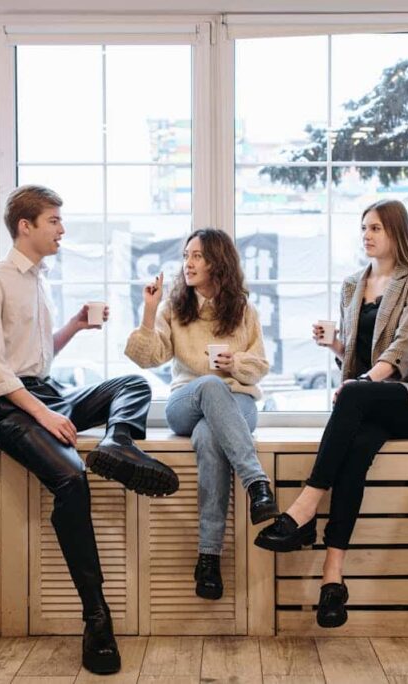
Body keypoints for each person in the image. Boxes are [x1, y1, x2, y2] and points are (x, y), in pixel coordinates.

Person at [0, 184, 178, 675]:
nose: (62, 229)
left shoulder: (38, 280)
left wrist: (74, 328)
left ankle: (118, 443)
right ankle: (96, 617)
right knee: (71, 479)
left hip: (42, 390)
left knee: (132, 383)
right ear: (26, 226)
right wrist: (45, 415)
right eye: (54, 221)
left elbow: (33, 358)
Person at [254, 199, 408, 628]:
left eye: (376, 227)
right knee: (357, 449)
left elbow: (403, 347)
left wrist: (361, 386)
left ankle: (304, 508)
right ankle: (332, 580)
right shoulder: (351, 284)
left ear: (396, 232)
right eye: (364, 227)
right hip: (376, 399)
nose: (367, 234)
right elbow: (359, 362)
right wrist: (337, 349)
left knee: (355, 398)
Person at [126, 228, 279, 601]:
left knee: (210, 438)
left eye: (197, 256)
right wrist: (149, 311)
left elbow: (259, 366)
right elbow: (149, 357)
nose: (188, 263)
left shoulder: (243, 310)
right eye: (186, 256)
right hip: (186, 402)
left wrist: (235, 361)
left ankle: (208, 559)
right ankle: (257, 483)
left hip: (237, 402)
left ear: (217, 262)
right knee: (211, 385)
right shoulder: (174, 308)